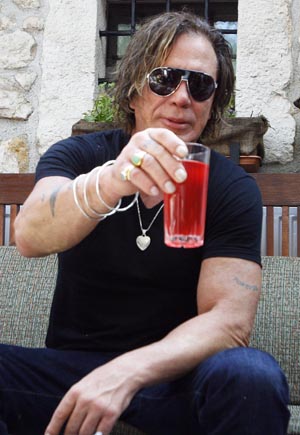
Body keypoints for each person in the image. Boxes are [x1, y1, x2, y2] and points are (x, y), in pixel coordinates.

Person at [1, 11, 290, 435]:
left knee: (251, 374)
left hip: (176, 375)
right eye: (164, 78)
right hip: (73, 372)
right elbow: (29, 236)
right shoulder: (80, 157)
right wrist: (113, 179)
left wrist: (127, 372)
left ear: (212, 105)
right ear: (134, 90)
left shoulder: (229, 187)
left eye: (201, 85)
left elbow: (229, 322)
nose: (181, 97)